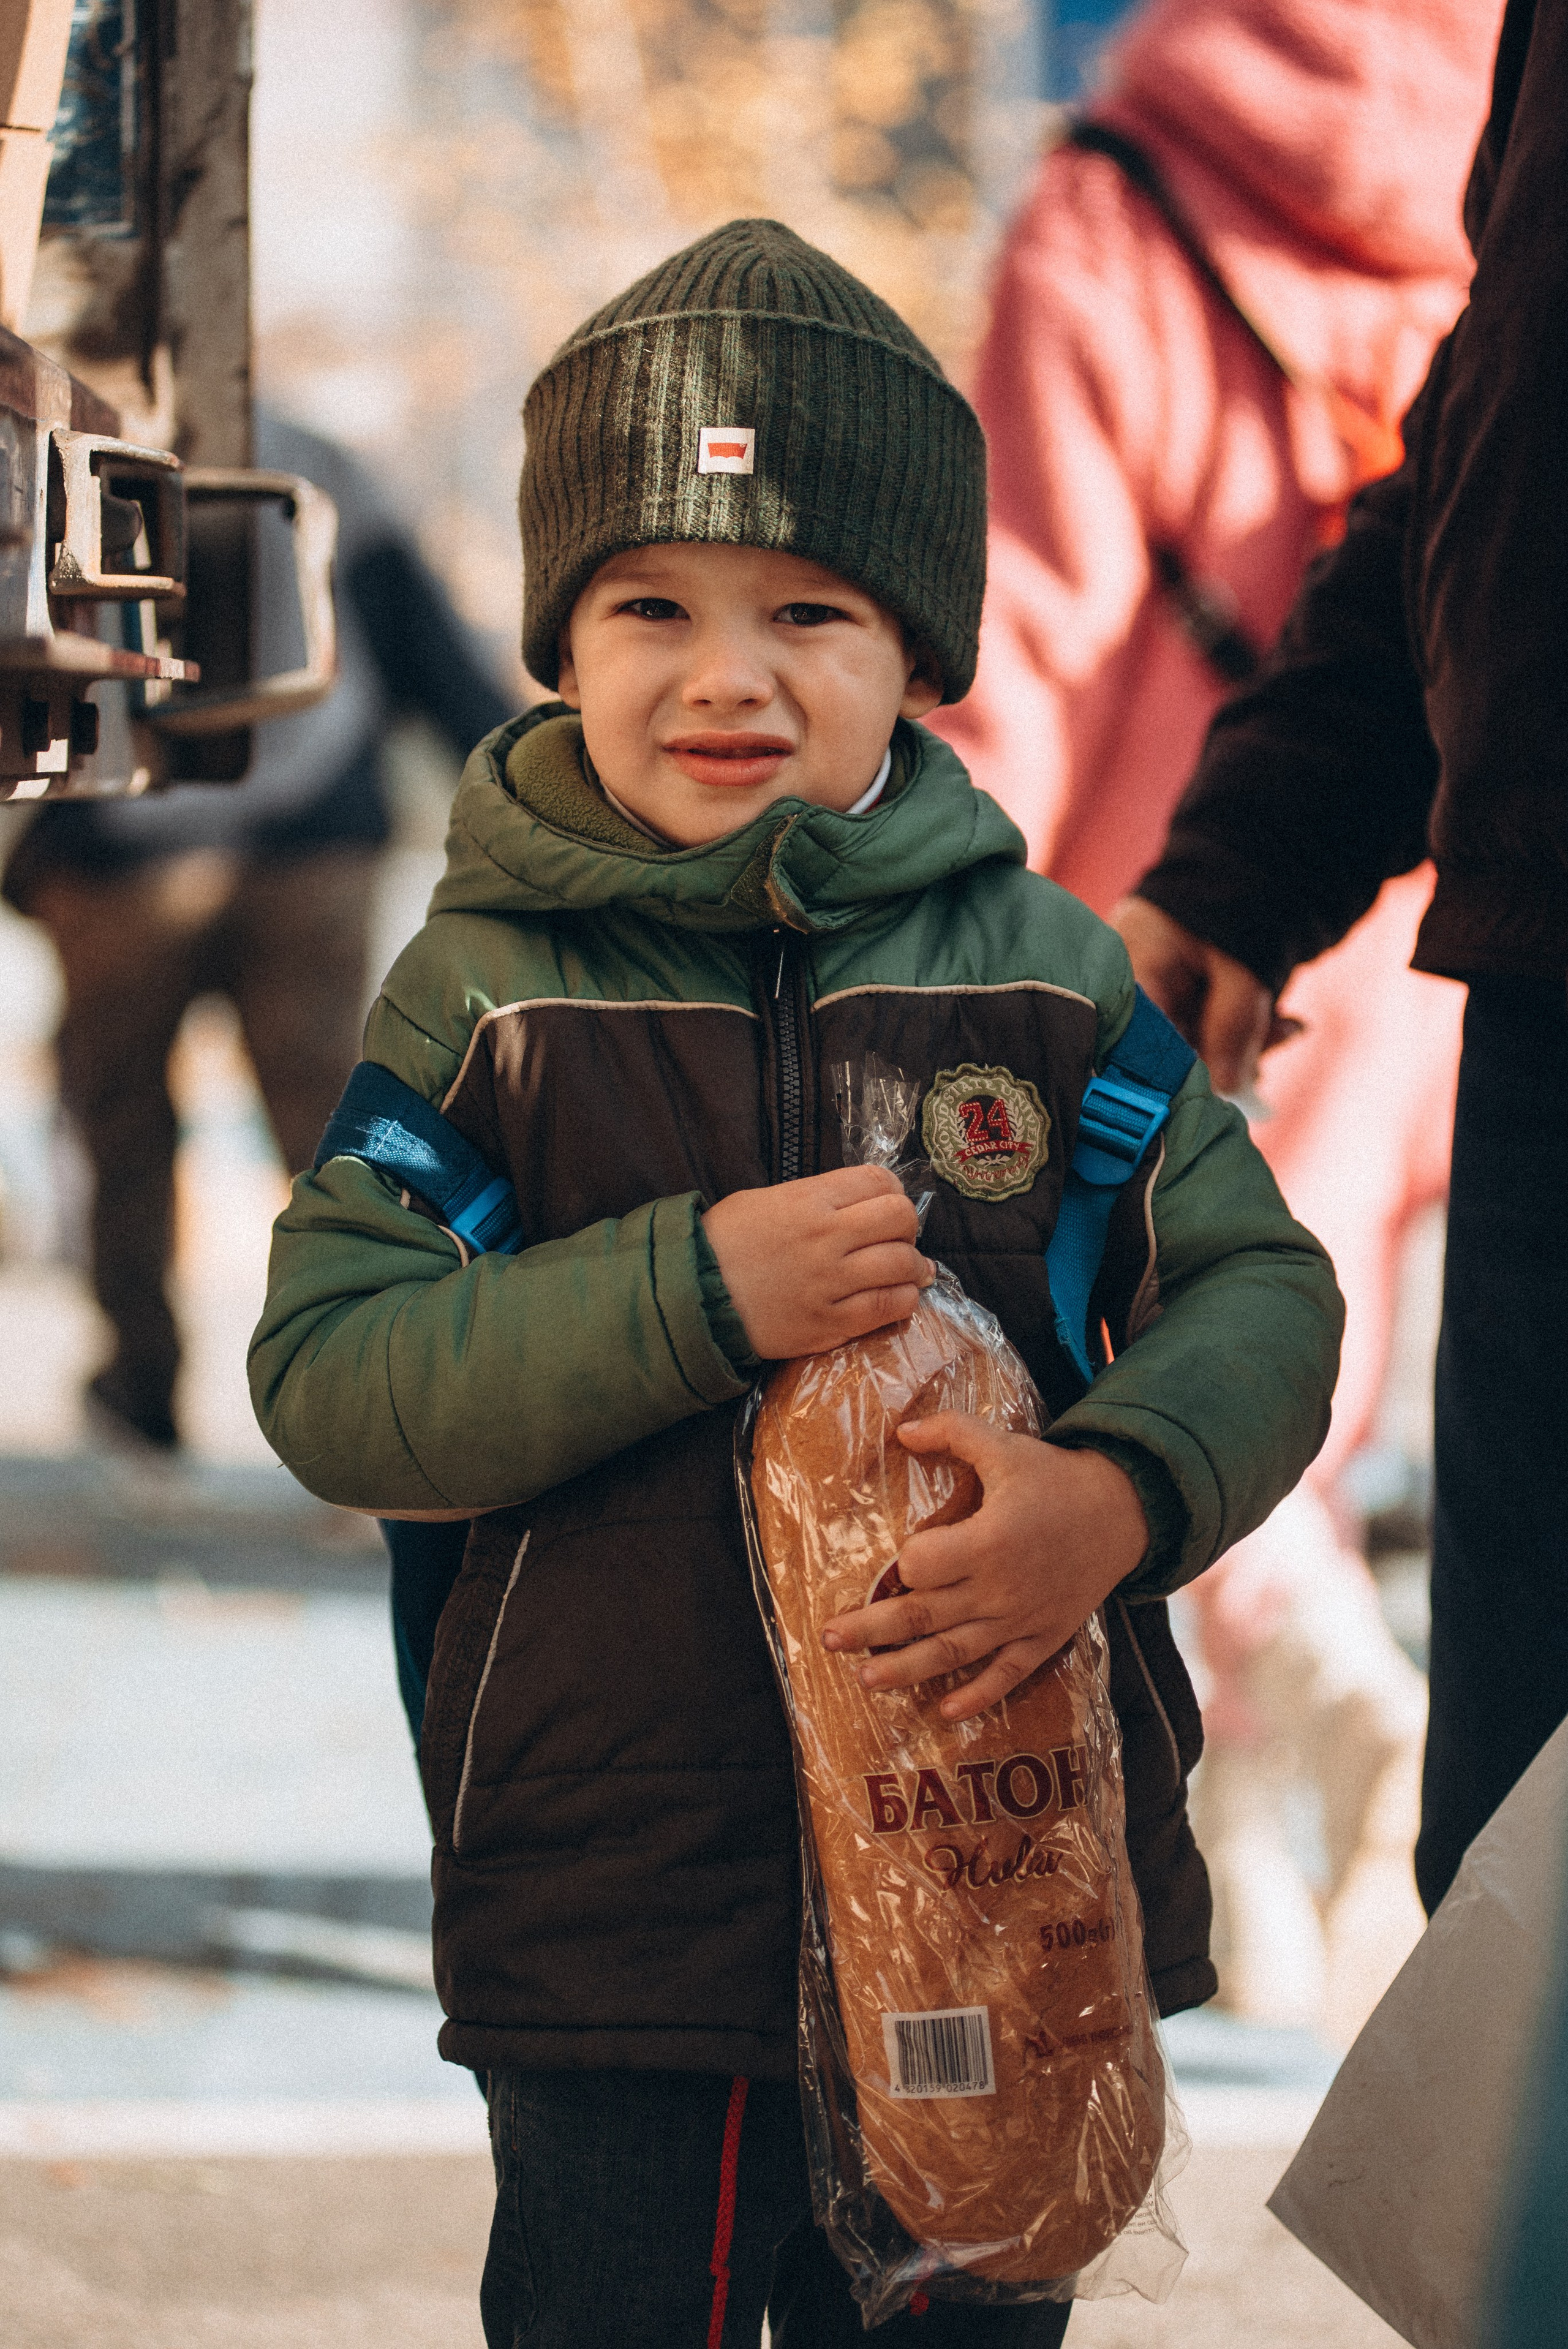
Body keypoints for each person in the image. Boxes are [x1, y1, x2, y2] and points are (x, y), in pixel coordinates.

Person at [248, 221, 1342, 2347]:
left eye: (808, 612)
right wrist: (687, 1293)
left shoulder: (1042, 977)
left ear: (921, 653)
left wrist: (1115, 1497)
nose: (725, 672)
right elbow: (336, 1371)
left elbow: (1259, 1291)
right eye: (649, 604)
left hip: (1000, 1878)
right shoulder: (489, 997)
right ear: (559, 642)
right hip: (619, 1913)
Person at [929, 0, 1501, 2024]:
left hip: (1158, 914)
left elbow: (1017, 628)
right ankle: (1272, 1819)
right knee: (1299, 1372)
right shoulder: (1482, 199)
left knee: (1103, 1372)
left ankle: (1316, 1703)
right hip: (1427, 897)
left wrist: (917, 942)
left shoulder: (1120, 210)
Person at [1117, 0, 1566, 1917]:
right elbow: (1498, 414)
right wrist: (1242, 863)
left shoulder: (1114, 193)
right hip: (1506, 957)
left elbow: (1026, 597)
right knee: (1525, 1876)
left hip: (1454, 917)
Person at [2, 412, 513, 1450]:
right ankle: (378, 1379)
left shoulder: (47, 460)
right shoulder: (315, 459)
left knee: (122, 1125)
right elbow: (422, 643)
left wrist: (41, 843)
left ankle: (140, 1391)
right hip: (307, 834)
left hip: (126, 844)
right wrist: (522, 782)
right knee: (333, 1120)